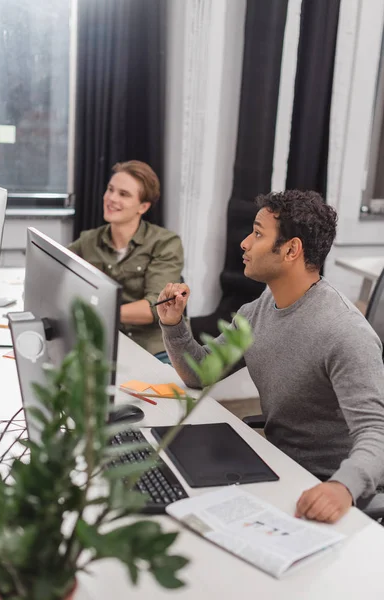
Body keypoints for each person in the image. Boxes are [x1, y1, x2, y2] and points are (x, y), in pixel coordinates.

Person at [157, 190, 384, 524]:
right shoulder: (259, 311)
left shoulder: (344, 332)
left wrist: (342, 487)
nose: (245, 243)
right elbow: (201, 372)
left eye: (258, 233)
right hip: (279, 469)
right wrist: (172, 322)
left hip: (327, 490)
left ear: (291, 249)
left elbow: (376, 433)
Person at [69, 160, 184, 359]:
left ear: (143, 206)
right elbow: (56, 269)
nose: (111, 198)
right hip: (105, 345)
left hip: (155, 349)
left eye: (123, 194)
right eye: (110, 189)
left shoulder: (165, 243)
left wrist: (98, 310)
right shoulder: (88, 241)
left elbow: (157, 307)